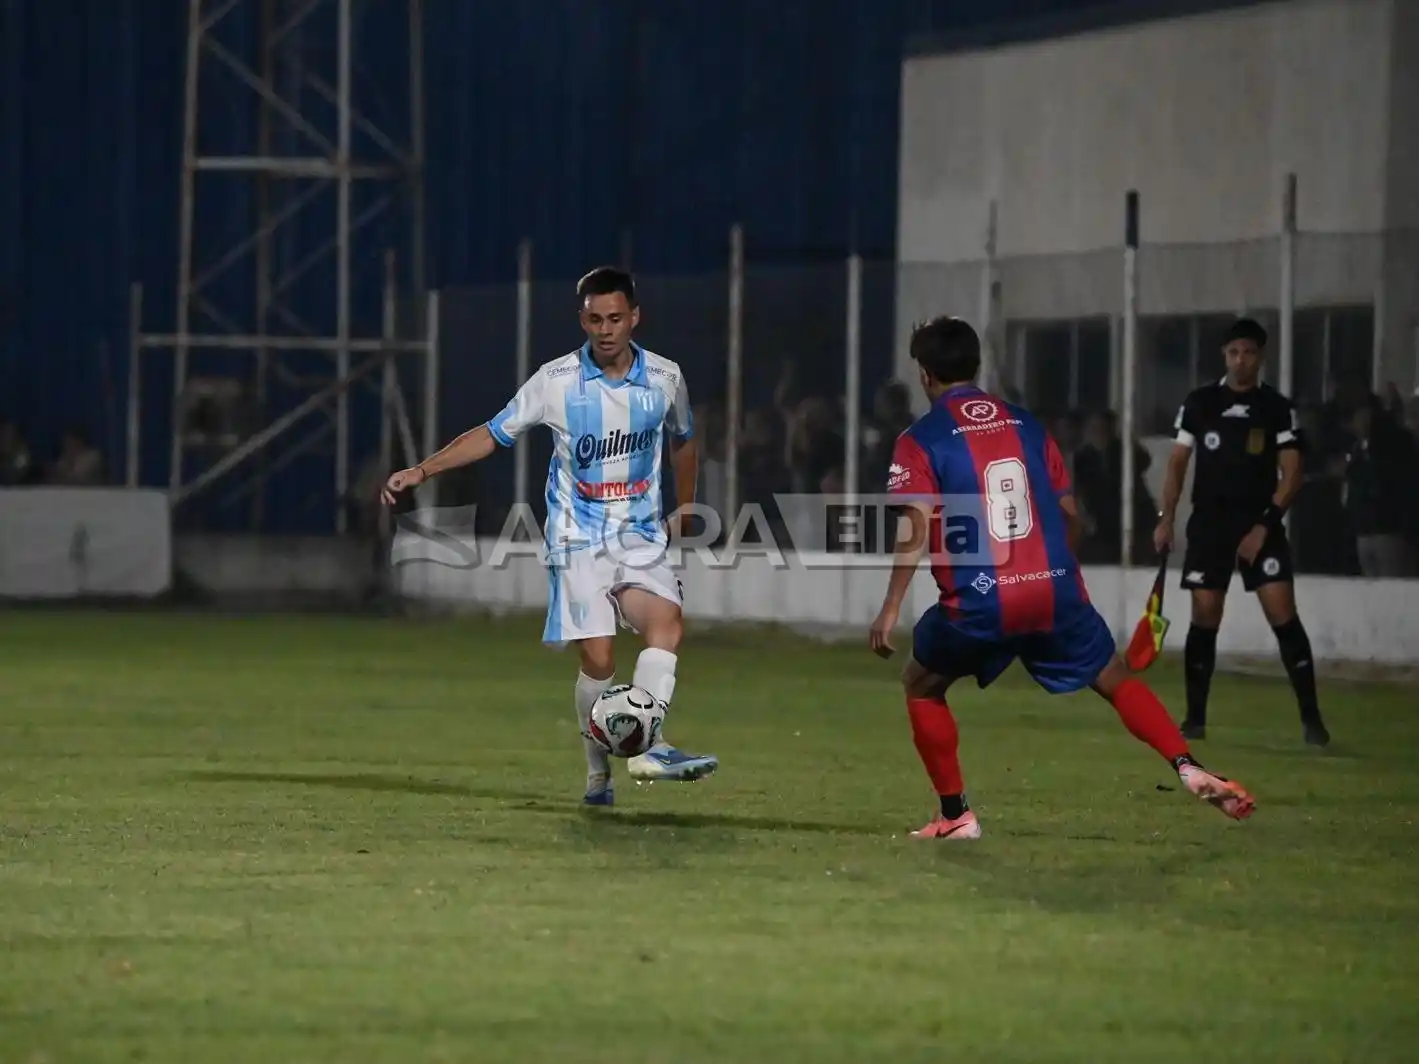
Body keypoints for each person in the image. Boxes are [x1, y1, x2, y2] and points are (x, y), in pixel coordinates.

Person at [868, 316, 1254, 839]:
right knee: (1112, 677)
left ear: (924, 374)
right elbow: (1072, 516)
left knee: (922, 684)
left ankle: (957, 815)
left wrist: (891, 607)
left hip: (982, 600)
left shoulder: (921, 439)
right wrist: (1051, 575)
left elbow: (914, 526)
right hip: (1054, 588)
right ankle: (1186, 764)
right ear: (975, 364)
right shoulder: (1027, 424)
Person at [381, 266, 719, 805]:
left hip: (638, 535)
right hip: (576, 539)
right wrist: (421, 471)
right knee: (601, 661)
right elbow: (492, 435)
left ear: (635, 318)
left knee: (668, 624)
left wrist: (684, 507)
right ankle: (597, 770)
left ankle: (647, 748)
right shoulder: (556, 381)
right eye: (594, 320)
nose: (605, 330)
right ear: (581, 320)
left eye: (615, 318)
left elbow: (683, 439)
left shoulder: (665, 378)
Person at [1155, 318, 1330, 746]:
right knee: (1204, 614)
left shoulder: (1276, 407)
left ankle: (1313, 721)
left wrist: (1263, 526)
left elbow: (1293, 475)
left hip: (1259, 523)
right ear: (1224, 355)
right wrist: (1166, 516)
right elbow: (1178, 463)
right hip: (1209, 525)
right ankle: (1195, 719)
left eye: (1249, 352)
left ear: (1260, 357)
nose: (1240, 359)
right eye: (1234, 352)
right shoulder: (1200, 402)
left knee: (1282, 614)